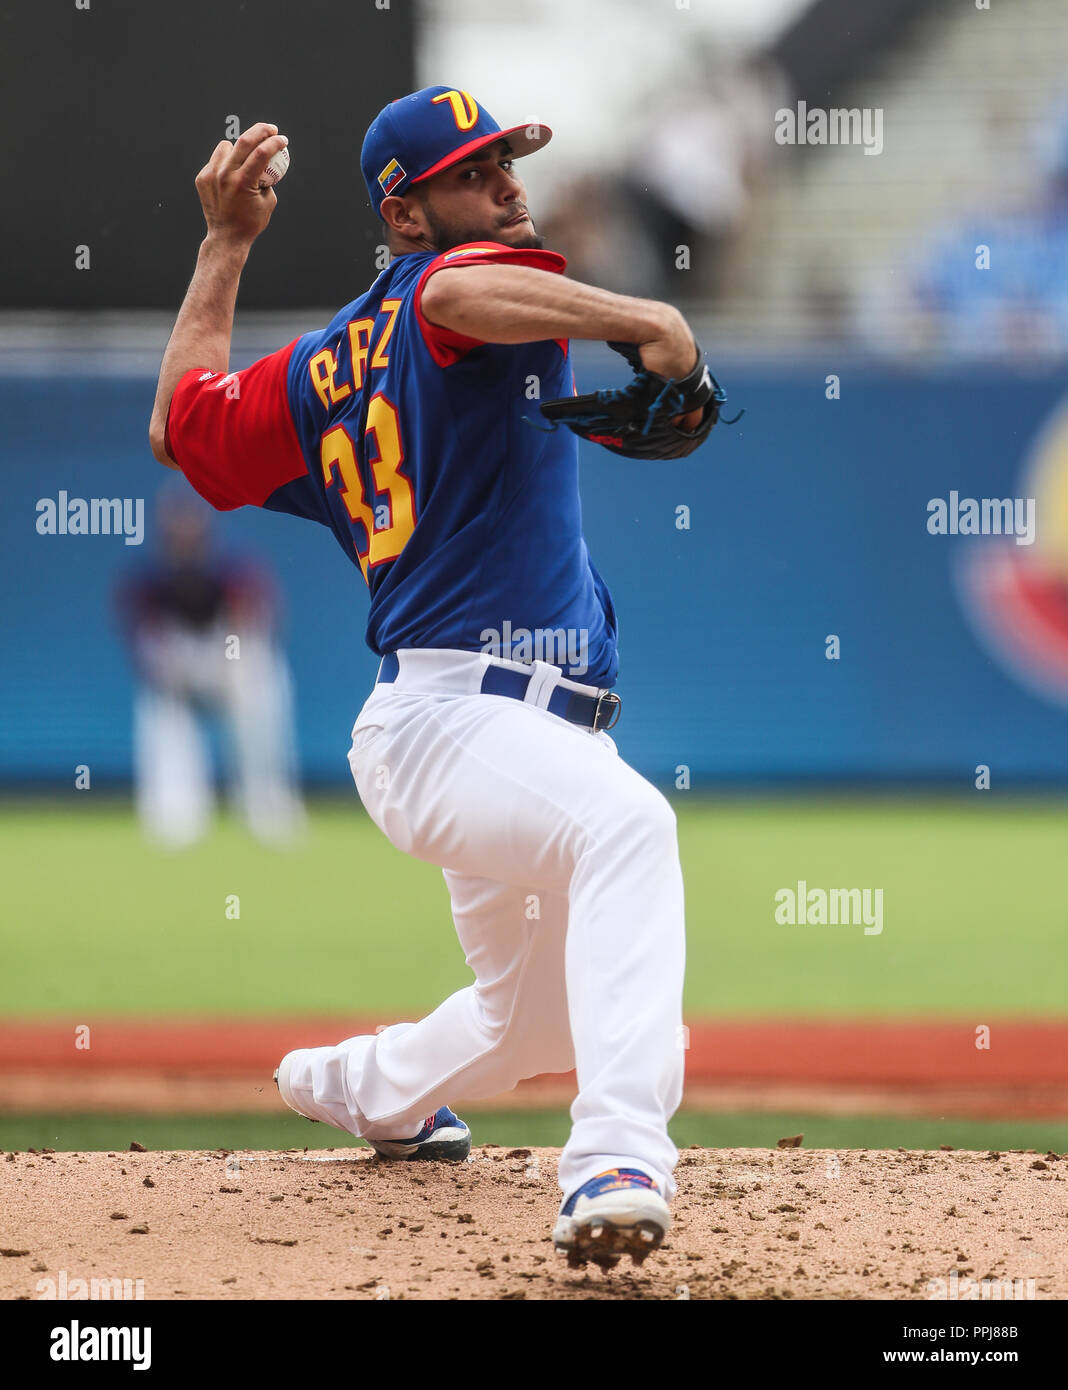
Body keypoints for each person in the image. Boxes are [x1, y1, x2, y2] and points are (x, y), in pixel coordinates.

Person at [149, 87, 701, 1269]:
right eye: (472, 174)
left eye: (505, 161)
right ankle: (616, 1156)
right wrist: (641, 314)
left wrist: (224, 246)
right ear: (405, 215)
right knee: (631, 832)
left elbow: (184, 428)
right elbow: (451, 294)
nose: (505, 184)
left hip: (503, 741)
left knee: (531, 1020)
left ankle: (361, 1086)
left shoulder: (321, 368)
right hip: (452, 718)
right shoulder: (455, 290)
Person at [116, 486, 303, 848]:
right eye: (176, 526)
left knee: (264, 687)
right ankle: (176, 815)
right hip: (179, 664)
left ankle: (267, 805)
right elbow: (144, 641)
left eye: (191, 526)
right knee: (161, 709)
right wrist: (170, 671)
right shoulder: (149, 579)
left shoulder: (231, 570)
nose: (184, 533)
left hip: (230, 658)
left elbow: (259, 624)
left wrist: (235, 665)